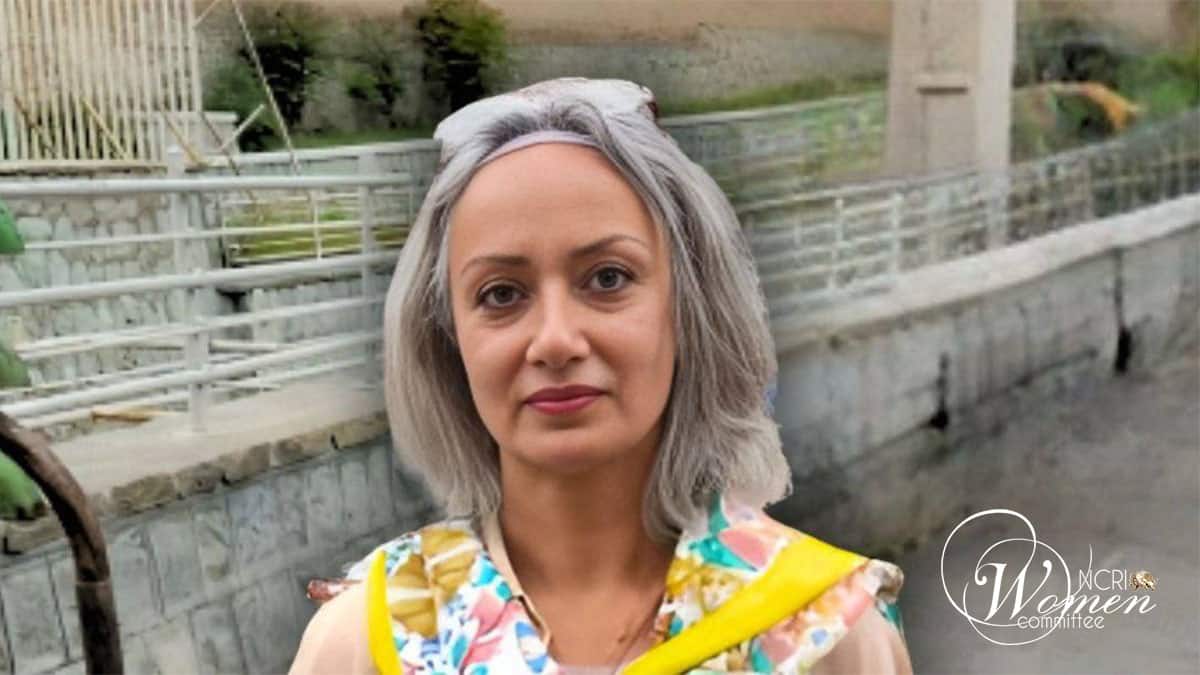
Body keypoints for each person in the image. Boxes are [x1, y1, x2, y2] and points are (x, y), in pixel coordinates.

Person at [289, 77, 913, 674]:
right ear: (447, 338)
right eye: (501, 293)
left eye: (608, 278)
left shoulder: (827, 635)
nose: (556, 340)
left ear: (689, 306)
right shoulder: (369, 640)